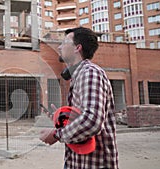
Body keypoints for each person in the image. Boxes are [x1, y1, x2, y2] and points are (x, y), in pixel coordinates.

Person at [39, 27, 119, 169]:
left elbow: (91, 121)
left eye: (64, 43)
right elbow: (83, 118)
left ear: (77, 48)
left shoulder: (90, 73)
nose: (59, 47)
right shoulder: (79, 75)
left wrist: (56, 134)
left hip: (94, 164)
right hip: (78, 162)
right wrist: (61, 119)